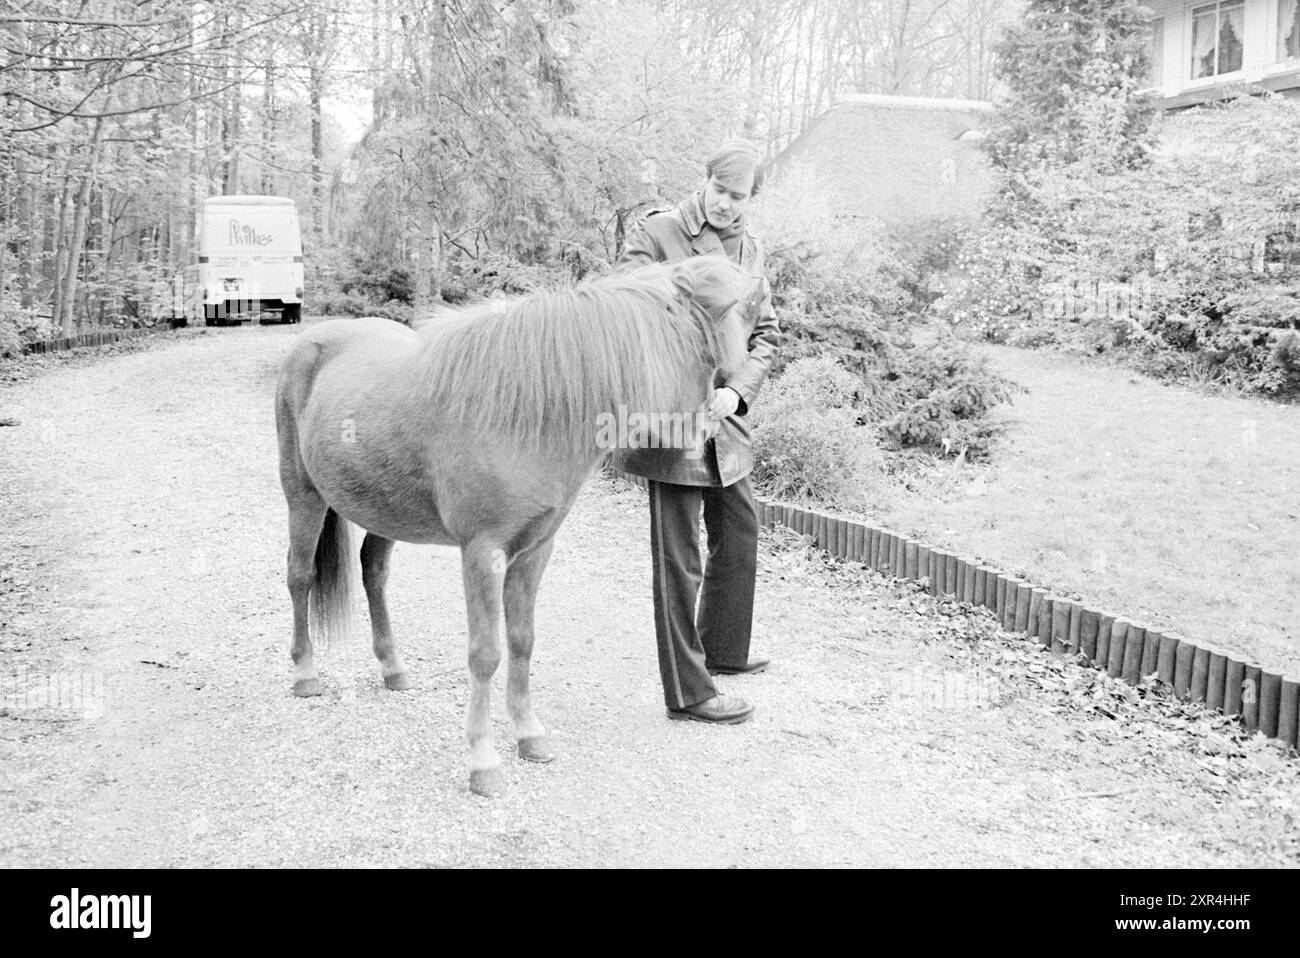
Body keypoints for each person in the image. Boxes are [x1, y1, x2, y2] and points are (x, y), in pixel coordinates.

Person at [616, 139, 781, 725]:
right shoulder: (657, 233)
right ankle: (689, 691)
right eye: (720, 191)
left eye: (739, 198)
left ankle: (723, 650)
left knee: (739, 532)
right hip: (670, 413)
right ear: (704, 181)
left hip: (726, 416)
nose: (727, 206)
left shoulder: (754, 251)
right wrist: (693, 385)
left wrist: (736, 391)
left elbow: (766, 335)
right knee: (679, 556)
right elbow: (632, 313)